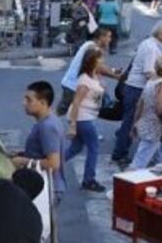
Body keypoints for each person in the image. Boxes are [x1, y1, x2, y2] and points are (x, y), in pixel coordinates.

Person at [113, 21, 162, 164]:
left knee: (131, 119)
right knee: (131, 121)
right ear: (161, 34)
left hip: (134, 87)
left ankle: (130, 146)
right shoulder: (152, 48)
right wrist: (159, 85)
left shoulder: (150, 44)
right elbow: (149, 71)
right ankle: (120, 152)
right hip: (137, 88)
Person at [64, 48, 108, 193]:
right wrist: (73, 125)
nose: (103, 61)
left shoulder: (94, 76)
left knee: (76, 148)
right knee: (93, 147)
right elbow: (76, 102)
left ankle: (52, 164)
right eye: (100, 59)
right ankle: (89, 180)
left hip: (87, 116)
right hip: (83, 117)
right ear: (92, 62)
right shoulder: (84, 80)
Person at [14, 81, 66, 199]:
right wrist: (22, 153)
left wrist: (22, 161)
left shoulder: (47, 127)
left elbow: (53, 163)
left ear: (42, 103)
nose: (24, 103)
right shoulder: (48, 121)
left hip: (47, 189)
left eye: (29, 100)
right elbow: (42, 151)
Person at [130, 54, 162, 169]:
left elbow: (140, 104)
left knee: (158, 157)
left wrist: (135, 123)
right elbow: (161, 109)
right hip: (155, 127)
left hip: (146, 122)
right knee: (140, 161)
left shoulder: (152, 81)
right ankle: (129, 181)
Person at [58, 28, 120, 115]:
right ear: (101, 37)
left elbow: (99, 66)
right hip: (74, 85)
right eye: (108, 37)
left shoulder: (90, 45)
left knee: (68, 111)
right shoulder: (93, 49)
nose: (110, 40)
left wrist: (113, 70)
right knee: (81, 112)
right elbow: (99, 68)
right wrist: (117, 77)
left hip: (71, 84)